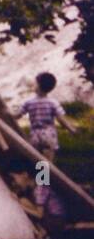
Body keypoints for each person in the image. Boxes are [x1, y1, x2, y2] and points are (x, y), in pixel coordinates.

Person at [20, 71, 77, 210]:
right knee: (45, 168)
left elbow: (15, 115)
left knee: (37, 166)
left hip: (35, 137)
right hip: (49, 137)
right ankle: (41, 202)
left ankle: (35, 195)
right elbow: (61, 120)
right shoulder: (52, 103)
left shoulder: (29, 102)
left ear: (38, 85)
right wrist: (72, 129)